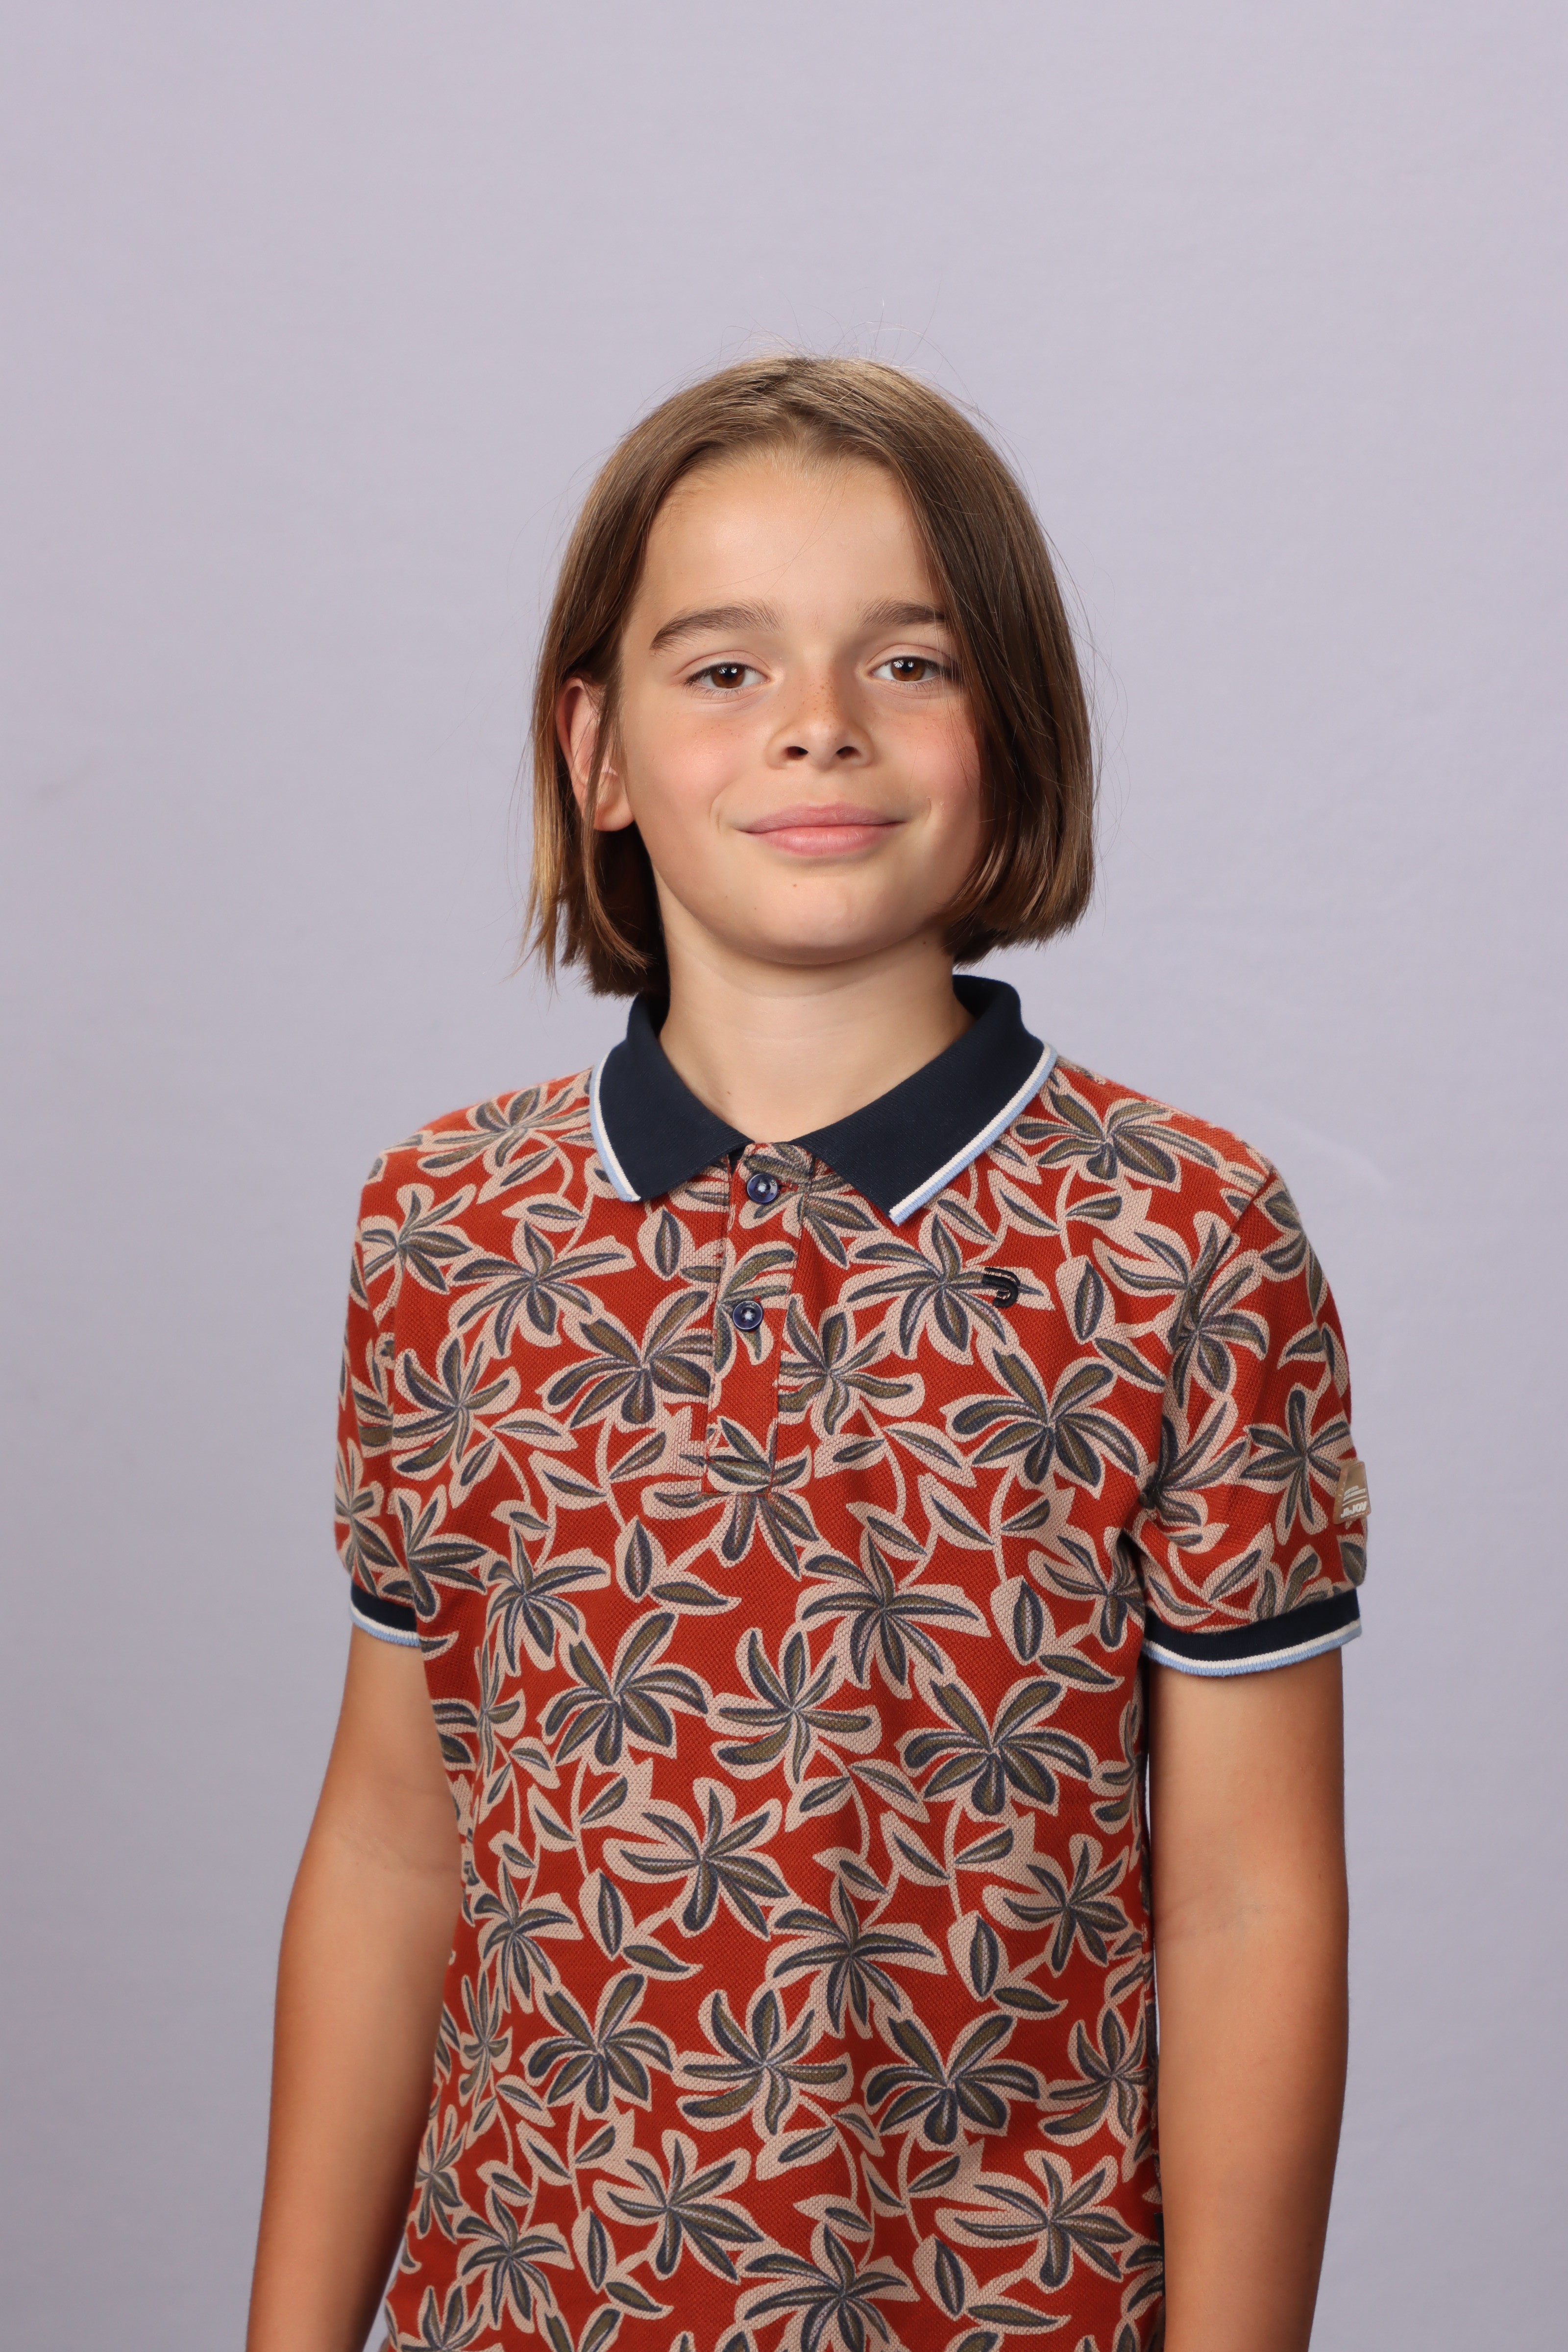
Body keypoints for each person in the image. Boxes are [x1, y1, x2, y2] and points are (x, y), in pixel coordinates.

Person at [247, 358, 1366, 2352]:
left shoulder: (1182, 1241)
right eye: (724, 668)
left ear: (1015, 736)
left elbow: (1247, 1902)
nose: (818, 722)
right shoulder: (447, 1231)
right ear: (595, 752)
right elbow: (396, 1841)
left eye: (909, 662)